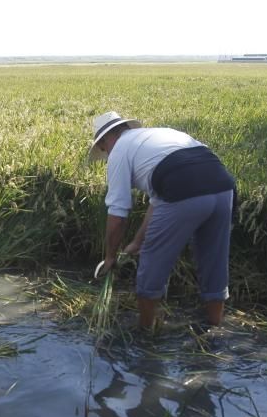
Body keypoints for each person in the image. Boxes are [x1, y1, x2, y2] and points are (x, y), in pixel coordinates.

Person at [89, 111, 236, 330]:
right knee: (213, 260)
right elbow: (158, 202)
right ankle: (215, 328)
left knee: (152, 263)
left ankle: (145, 333)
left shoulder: (119, 149)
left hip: (183, 189)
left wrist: (110, 257)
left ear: (104, 141)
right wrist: (136, 243)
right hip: (224, 187)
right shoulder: (157, 136)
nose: (105, 153)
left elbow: (117, 213)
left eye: (102, 149)